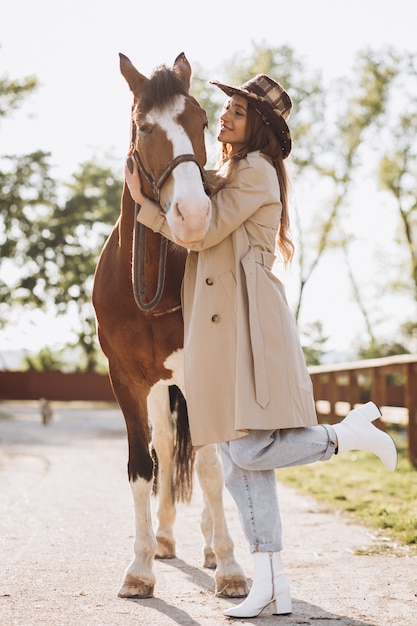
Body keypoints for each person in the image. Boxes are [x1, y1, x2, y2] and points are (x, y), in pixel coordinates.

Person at [125, 73, 397, 619]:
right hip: (224, 322)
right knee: (243, 468)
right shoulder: (228, 169)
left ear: (260, 130)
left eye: (239, 113)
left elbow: (202, 233)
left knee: (247, 452)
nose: (226, 116)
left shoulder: (256, 172)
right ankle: (271, 582)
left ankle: (344, 436)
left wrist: (143, 205)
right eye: (226, 108)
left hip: (250, 323)